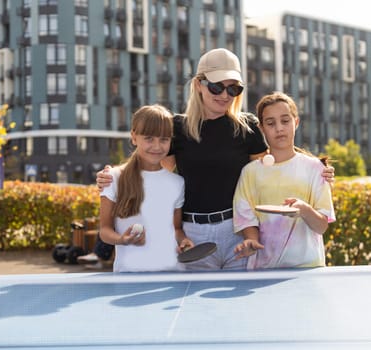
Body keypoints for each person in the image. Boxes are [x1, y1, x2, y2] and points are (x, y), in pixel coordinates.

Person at [96, 48, 335, 270]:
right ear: (199, 84)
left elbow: (274, 163)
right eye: (216, 87)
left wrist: (317, 167)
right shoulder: (177, 128)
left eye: (233, 89)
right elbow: (152, 164)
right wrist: (113, 175)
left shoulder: (247, 127)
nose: (224, 95)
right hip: (192, 235)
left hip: (238, 233)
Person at [233, 92, 335, 269]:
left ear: (296, 122)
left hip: (307, 267)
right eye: (271, 123)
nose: (279, 128)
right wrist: (251, 241)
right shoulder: (250, 172)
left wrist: (304, 209)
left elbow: (321, 226)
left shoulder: (316, 169)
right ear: (262, 128)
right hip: (264, 269)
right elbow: (246, 219)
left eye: (285, 121)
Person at [98, 104, 194, 272]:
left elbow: (176, 229)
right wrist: (123, 239)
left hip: (172, 274)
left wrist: (183, 241)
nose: (157, 146)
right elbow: (104, 231)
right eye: (149, 138)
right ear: (134, 137)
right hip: (129, 273)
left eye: (164, 139)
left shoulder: (177, 182)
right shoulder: (113, 178)